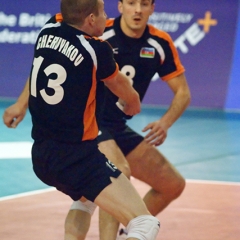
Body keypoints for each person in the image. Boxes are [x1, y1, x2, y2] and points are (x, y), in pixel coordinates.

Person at [3, 0, 190, 239]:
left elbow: (183, 92)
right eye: (131, 3)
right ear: (119, 7)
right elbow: (121, 87)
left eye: (144, 4)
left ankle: (126, 230)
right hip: (93, 123)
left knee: (172, 184)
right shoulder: (98, 38)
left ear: (152, 8)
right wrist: (21, 101)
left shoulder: (159, 42)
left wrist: (165, 123)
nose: (138, 9)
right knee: (119, 173)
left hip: (111, 128)